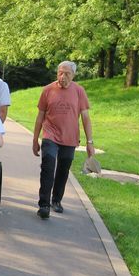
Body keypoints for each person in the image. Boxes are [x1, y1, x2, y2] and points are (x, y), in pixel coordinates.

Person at [32, 61, 95, 219]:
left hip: (70, 138)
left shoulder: (79, 91)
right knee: (48, 166)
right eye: (60, 72)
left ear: (73, 75)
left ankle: (57, 200)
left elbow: (86, 118)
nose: (62, 76)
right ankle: (44, 204)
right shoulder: (47, 90)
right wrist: (35, 139)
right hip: (50, 135)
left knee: (63, 170)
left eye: (67, 73)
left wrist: (90, 142)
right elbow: (40, 116)